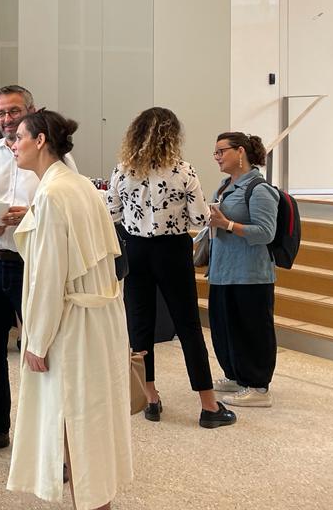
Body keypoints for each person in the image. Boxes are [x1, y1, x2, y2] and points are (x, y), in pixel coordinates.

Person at [5, 110, 132, 510]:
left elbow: (47, 278)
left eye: (19, 137)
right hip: (97, 319)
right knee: (87, 423)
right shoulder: (77, 185)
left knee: (77, 424)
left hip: (72, 325)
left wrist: (36, 342)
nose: (13, 144)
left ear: (40, 141)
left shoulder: (53, 194)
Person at [0, 84, 77, 459]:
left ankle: (55, 441)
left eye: (14, 111)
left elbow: (69, 205)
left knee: (45, 352)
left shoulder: (55, 158)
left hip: (34, 266)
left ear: (32, 110)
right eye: (1, 114)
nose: (8, 120)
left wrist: (32, 216)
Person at [105, 107, 236, 428]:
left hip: (135, 250)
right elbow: (198, 217)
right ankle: (208, 406)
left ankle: (150, 397)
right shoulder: (183, 171)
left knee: (140, 325)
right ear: (172, 136)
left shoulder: (123, 171)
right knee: (188, 325)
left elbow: (112, 214)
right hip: (173, 251)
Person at [207, 131, 280, 408]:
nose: (217, 157)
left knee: (252, 329)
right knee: (225, 328)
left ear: (240, 152)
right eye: (215, 152)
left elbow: (265, 233)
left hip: (250, 274)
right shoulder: (225, 186)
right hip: (223, 270)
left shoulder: (259, 189)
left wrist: (227, 225)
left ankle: (259, 386)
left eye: (221, 151)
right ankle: (237, 376)